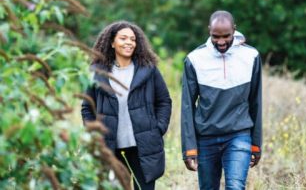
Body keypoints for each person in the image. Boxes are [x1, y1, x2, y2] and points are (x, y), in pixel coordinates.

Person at [81, 21, 172, 190]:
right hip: (110, 147)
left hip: (143, 147)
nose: (129, 42)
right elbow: (87, 107)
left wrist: (158, 128)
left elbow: (164, 101)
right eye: (123, 38)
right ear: (112, 42)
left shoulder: (148, 69)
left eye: (133, 39)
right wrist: (93, 134)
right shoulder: (98, 72)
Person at [181, 10, 262, 190]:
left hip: (239, 135)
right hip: (206, 138)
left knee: (235, 186)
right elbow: (187, 106)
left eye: (226, 36)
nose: (221, 41)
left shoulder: (251, 57)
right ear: (209, 30)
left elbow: (256, 102)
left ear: (234, 29)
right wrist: (189, 148)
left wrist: (256, 143)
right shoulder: (194, 59)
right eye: (215, 36)